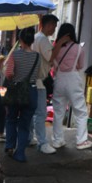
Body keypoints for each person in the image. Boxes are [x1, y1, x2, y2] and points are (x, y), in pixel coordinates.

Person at [50, 23, 92, 150]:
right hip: (73, 79)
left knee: (58, 112)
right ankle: (81, 141)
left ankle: (57, 140)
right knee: (80, 111)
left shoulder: (55, 49)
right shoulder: (79, 48)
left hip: (59, 79)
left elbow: (52, 62)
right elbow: (80, 66)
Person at [4, 27, 40, 162]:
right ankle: (20, 153)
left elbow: (9, 74)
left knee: (11, 119)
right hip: (31, 92)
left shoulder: (15, 55)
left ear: (20, 40)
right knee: (25, 124)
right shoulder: (37, 56)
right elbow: (39, 74)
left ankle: (9, 146)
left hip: (16, 92)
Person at [30, 14, 59, 154]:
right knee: (41, 113)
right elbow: (51, 57)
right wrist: (59, 44)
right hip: (39, 81)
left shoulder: (36, 37)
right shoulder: (42, 39)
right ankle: (42, 143)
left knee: (30, 113)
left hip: (32, 81)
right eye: (53, 25)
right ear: (47, 25)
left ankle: (29, 138)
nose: (54, 28)